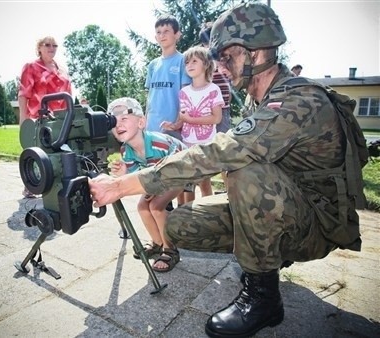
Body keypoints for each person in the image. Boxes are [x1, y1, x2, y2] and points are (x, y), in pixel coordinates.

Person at [90, 3, 363, 338]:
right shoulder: (261, 98)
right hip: (291, 206)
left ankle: (263, 298)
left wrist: (122, 187)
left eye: (228, 56)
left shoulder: (298, 100)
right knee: (179, 224)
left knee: (243, 168)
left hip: (319, 224)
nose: (220, 66)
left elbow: (222, 152)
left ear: (259, 52)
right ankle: (268, 256)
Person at [107, 97, 186, 272]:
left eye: (124, 118)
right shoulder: (126, 151)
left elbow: (164, 176)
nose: (118, 125)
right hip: (158, 175)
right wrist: (124, 174)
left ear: (141, 122)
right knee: (143, 207)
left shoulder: (158, 144)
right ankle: (157, 243)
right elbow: (139, 176)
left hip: (181, 172)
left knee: (156, 207)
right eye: (114, 121)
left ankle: (170, 250)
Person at [161, 46, 224, 198]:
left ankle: (207, 214)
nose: (189, 65)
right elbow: (182, 120)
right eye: (187, 62)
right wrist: (173, 126)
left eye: (194, 61)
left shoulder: (213, 89)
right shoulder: (184, 92)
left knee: (204, 183)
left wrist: (191, 119)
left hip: (205, 145)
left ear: (207, 64)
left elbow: (217, 118)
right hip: (187, 144)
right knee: (188, 184)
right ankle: (188, 215)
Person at [145, 14, 192, 207]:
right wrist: (145, 122)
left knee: (176, 173)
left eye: (166, 31)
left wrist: (178, 122)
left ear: (177, 34)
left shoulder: (183, 61)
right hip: (153, 126)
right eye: (158, 32)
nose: (162, 35)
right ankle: (163, 218)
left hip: (173, 127)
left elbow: (185, 94)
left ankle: (181, 217)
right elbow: (149, 97)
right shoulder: (153, 64)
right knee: (156, 175)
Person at [18, 36, 72, 198]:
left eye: (54, 45)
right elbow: (23, 95)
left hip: (61, 118)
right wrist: (23, 118)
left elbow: (68, 94)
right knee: (39, 152)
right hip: (39, 117)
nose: (51, 48)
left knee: (59, 151)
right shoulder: (31, 67)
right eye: (47, 45)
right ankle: (33, 184)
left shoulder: (62, 70)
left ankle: (57, 186)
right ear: (39, 47)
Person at [199, 21, 232, 192]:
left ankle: (229, 193)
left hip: (222, 109)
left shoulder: (224, 55)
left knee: (224, 155)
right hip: (205, 112)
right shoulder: (202, 59)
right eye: (205, 43)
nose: (207, 47)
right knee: (204, 156)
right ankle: (207, 197)